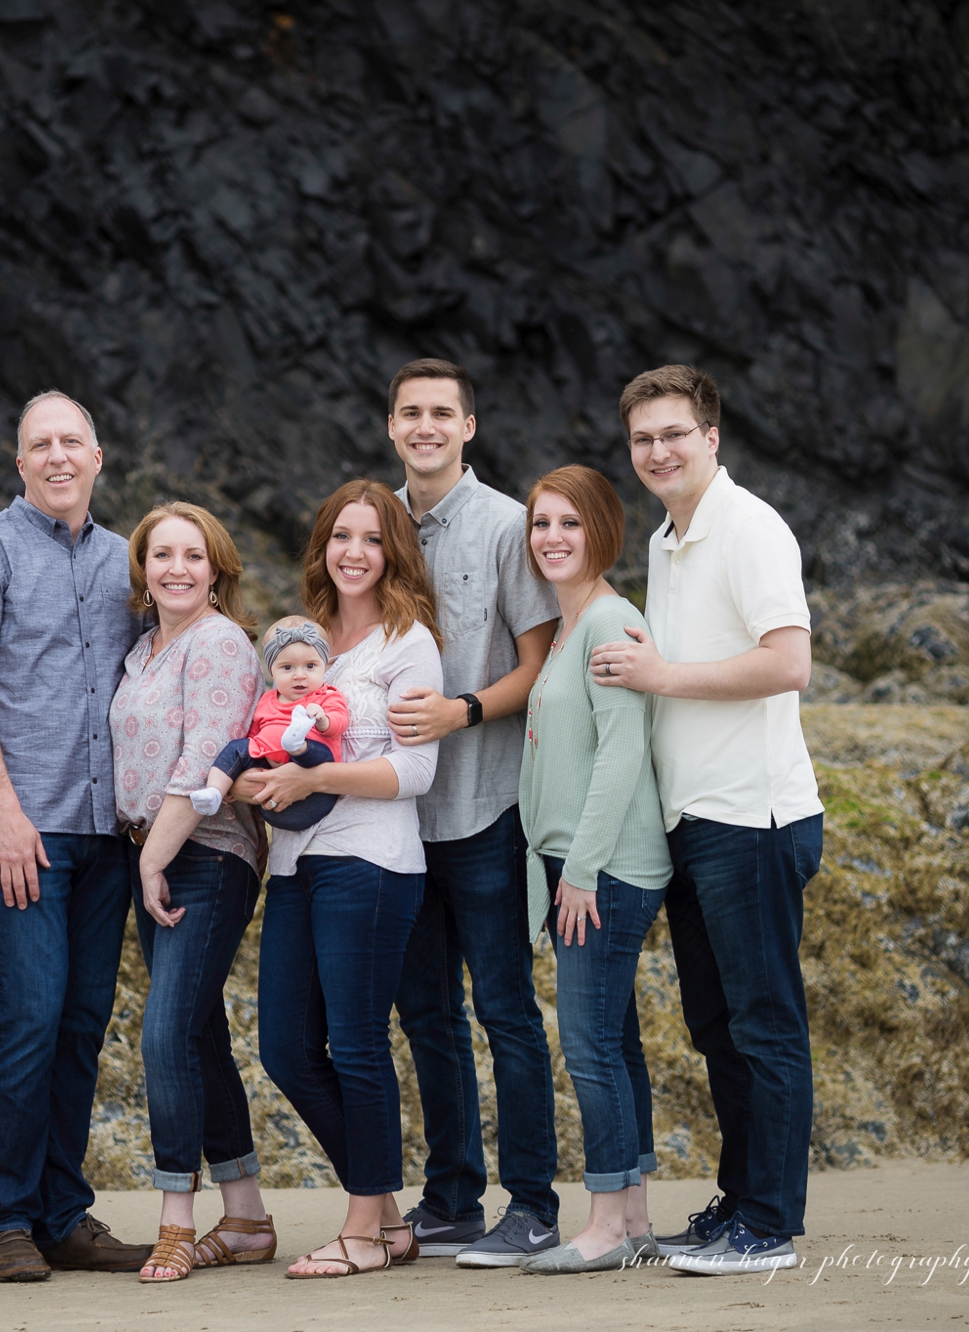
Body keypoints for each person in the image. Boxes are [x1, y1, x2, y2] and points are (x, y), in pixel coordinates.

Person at [589, 365, 823, 1276]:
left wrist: (662, 677)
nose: (658, 451)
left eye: (674, 433)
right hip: (694, 821)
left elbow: (788, 663)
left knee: (765, 1025)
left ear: (711, 436)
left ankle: (770, 1226)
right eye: (644, 438)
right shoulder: (667, 537)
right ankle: (740, 1204)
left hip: (753, 817)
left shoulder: (750, 528)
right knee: (717, 1028)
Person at [0, 390, 157, 1282]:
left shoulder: (128, 560)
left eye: (73, 442)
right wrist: (5, 812)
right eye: (40, 444)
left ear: (98, 458)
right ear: (18, 462)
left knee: (82, 1023)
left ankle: (65, 1213)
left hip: (109, 833)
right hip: (26, 829)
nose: (58, 456)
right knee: (27, 1018)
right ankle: (5, 1222)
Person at [377, 359, 564, 1266]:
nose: (425, 427)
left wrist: (465, 710)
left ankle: (532, 1205)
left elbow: (540, 663)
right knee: (425, 1017)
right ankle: (450, 1198)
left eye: (440, 413)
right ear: (391, 427)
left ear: (469, 426)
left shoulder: (506, 526)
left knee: (506, 1011)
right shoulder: (373, 527)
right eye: (410, 413)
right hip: (398, 819)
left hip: (487, 806)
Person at [241, 479, 441, 1279]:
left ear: (393, 550)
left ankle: (363, 1230)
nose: (354, 553)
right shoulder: (304, 637)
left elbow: (415, 770)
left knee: (357, 1044)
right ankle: (388, 1215)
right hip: (294, 865)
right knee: (286, 1047)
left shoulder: (409, 640)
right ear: (322, 546)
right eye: (340, 537)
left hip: (372, 861)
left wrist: (316, 781)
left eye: (371, 538)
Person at [108, 502, 277, 1283]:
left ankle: (177, 1218)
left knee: (163, 1036)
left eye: (193, 555)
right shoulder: (143, 650)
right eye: (161, 555)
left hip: (204, 858)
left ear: (217, 569)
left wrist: (152, 861)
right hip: (157, 854)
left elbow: (202, 763)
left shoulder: (219, 644)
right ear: (143, 569)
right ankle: (244, 1216)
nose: (177, 568)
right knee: (199, 1033)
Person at [514, 466, 671, 1274]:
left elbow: (621, 758)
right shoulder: (571, 623)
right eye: (541, 523)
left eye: (569, 523)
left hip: (603, 870)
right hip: (580, 866)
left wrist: (579, 870)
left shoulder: (610, 618)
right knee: (615, 1042)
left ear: (602, 531)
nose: (552, 538)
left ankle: (606, 1223)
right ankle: (635, 1217)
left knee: (590, 1048)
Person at [187, 615, 351, 831]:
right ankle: (215, 791)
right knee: (238, 748)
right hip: (270, 776)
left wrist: (322, 719)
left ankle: (297, 744)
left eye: (310, 666)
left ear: (324, 667)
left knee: (319, 751)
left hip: (312, 776)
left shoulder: (326, 696)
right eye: (287, 668)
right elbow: (254, 733)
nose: (299, 675)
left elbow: (341, 722)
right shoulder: (267, 700)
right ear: (271, 671)